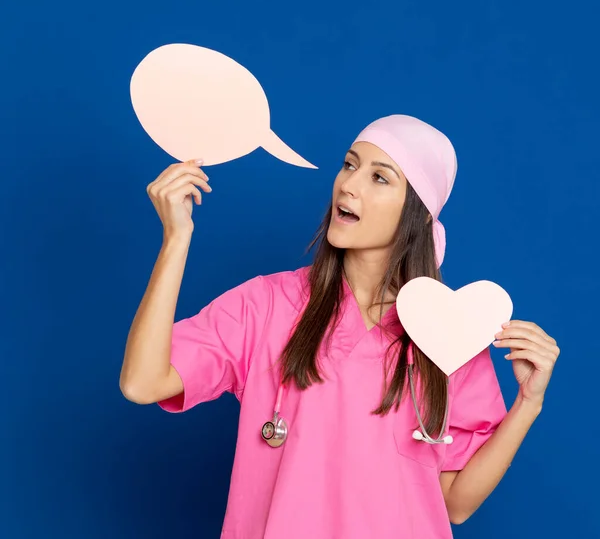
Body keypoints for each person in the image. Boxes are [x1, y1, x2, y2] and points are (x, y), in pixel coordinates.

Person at [120, 115, 560, 539]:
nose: (348, 184)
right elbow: (143, 383)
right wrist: (176, 241)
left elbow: (454, 504)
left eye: (379, 177)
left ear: (419, 213)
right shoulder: (268, 304)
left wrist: (528, 404)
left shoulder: (448, 334)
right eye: (350, 165)